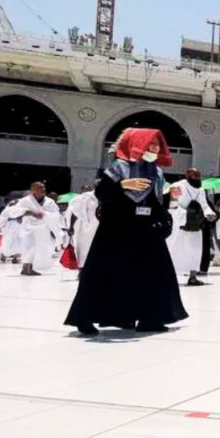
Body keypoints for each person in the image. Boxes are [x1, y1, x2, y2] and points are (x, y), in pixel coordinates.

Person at [64, 128, 188, 335]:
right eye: (151, 144)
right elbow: (101, 193)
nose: (156, 148)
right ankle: (84, 319)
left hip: (146, 231)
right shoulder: (119, 167)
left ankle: (149, 318)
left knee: (154, 274)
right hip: (117, 230)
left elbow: (153, 202)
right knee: (105, 273)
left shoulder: (155, 171)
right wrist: (122, 184)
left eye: (157, 145)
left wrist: (168, 200)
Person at [167, 169, 216, 286]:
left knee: (195, 251)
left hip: (196, 225)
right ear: (188, 175)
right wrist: (185, 217)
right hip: (180, 223)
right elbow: (173, 205)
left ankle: (192, 277)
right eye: (195, 175)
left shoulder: (201, 189)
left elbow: (204, 205)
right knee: (175, 249)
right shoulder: (176, 186)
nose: (198, 177)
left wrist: (209, 214)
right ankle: (169, 277)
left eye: (199, 176)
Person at [6, 182, 61, 276]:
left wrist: (44, 214)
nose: (42, 189)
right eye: (39, 187)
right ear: (33, 190)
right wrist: (29, 212)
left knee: (39, 249)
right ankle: (27, 268)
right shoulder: (25, 201)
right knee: (29, 248)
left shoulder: (49, 201)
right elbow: (13, 212)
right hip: (28, 228)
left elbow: (56, 215)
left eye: (43, 187)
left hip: (43, 229)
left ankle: (27, 268)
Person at [66, 185, 99, 269]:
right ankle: (82, 273)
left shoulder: (110, 196)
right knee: (84, 252)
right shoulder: (86, 197)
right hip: (86, 229)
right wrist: (71, 226)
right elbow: (75, 212)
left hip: (102, 229)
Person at [0, 198, 23, 263]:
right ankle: (15, 257)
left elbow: (2, 219)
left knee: (8, 241)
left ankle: (4, 255)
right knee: (18, 242)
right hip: (18, 226)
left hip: (10, 227)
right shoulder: (22, 209)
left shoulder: (7, 210)